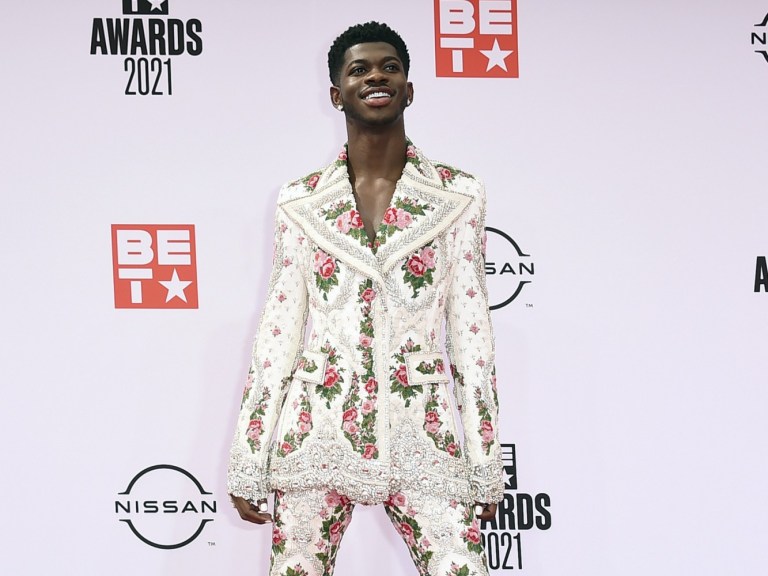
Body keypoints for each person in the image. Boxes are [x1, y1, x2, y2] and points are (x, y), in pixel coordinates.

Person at [228, 21, 503, 576]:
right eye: (360, 70)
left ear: (409, 88)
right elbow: (279, 333)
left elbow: (471, 335)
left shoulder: (458, 194)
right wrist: (249, 457)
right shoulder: (300, 201)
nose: (376, 76)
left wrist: (485, 461)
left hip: (422, 432)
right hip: (315, 433)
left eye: (389, 67)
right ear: (337, 94)